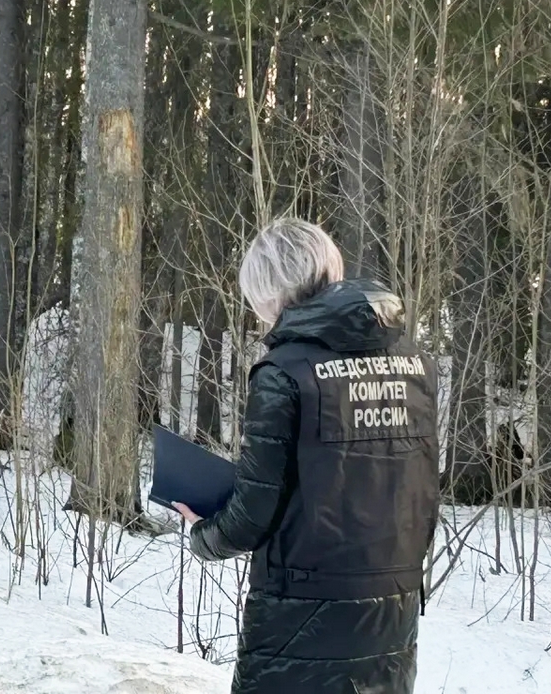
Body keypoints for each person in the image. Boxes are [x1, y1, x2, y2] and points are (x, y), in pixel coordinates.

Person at [173, 217, 439, 694]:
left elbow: (251, 517)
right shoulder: (416, 365)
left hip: (299, 615)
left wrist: (203, 533)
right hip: (391, 611)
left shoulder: (283, 371)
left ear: (270, 290)